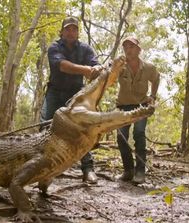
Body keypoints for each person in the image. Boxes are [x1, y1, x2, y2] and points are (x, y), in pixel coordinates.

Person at [40, 17, 101, 184]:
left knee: (82, 129)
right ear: (62, 31)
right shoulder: (54, 47)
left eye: (74, 29)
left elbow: (96, 65)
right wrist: (87, 70)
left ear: (78, 32)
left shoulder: (85, 49)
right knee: (46, 125)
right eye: (67, 29)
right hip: (55, 92)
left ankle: (88, 169)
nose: (71, 32)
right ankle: (43, 170)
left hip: (76, 94)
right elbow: (62, 65)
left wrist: (97, 68)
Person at [116, 36, 160, 184]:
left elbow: (156, 79)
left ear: (139, 49)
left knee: (139, 133)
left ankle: (140, 171)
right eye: (126, 47)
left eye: (131, 46)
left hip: (141, 106)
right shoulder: (119, 66)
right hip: (123, 106)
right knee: (121, 136)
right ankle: (128, 170)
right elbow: (108, 78)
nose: (128, 49)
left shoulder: (148, 68)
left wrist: (152, 96)